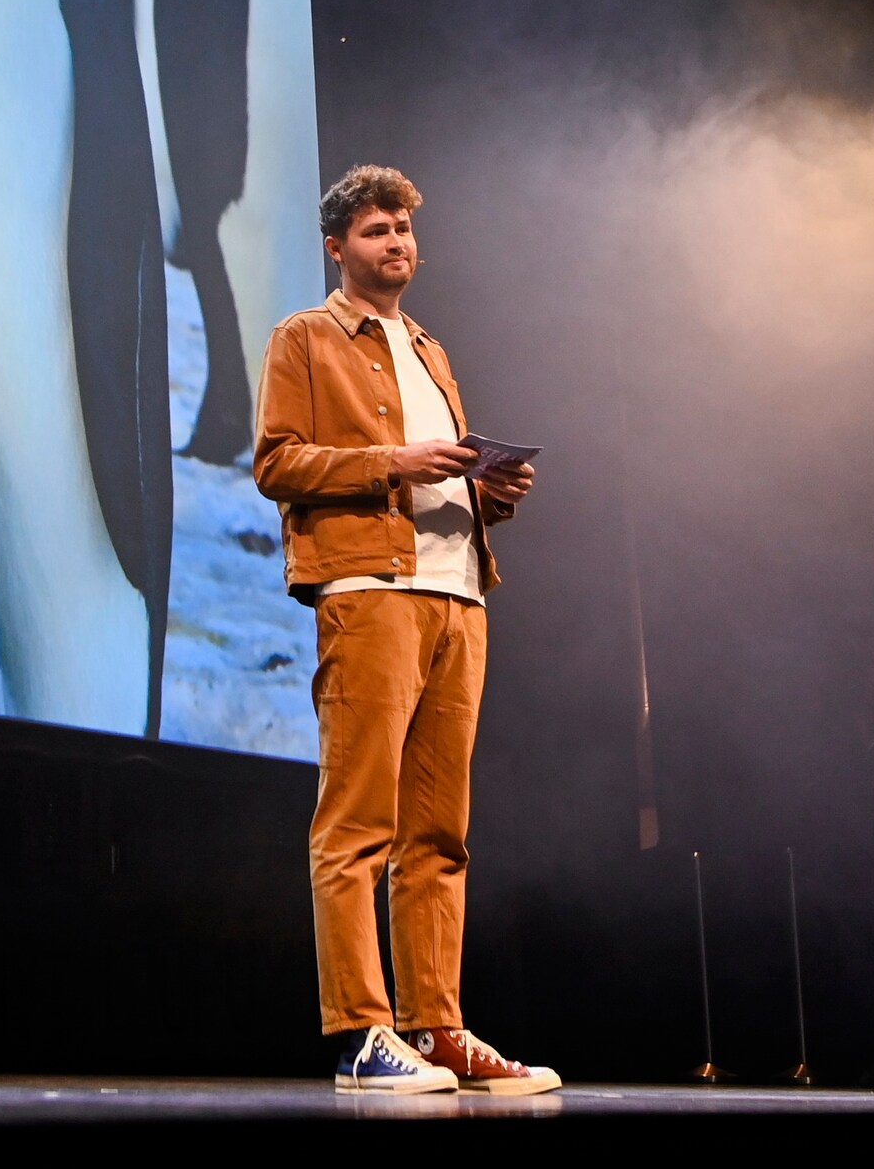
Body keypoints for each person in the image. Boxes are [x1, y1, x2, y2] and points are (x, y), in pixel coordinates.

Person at [252, 164, 559, 1096]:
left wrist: (488, 491)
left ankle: (439, 1024)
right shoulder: (305, 337)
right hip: (371, 589)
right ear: (338, 246)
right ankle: (360, 1033)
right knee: (358, 823)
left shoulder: (430, 348)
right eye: (378, 230)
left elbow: (442, 474)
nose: (398, 244)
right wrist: (397, 459)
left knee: (441, 833)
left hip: (459, 598)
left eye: (405, 230)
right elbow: (276, 462)